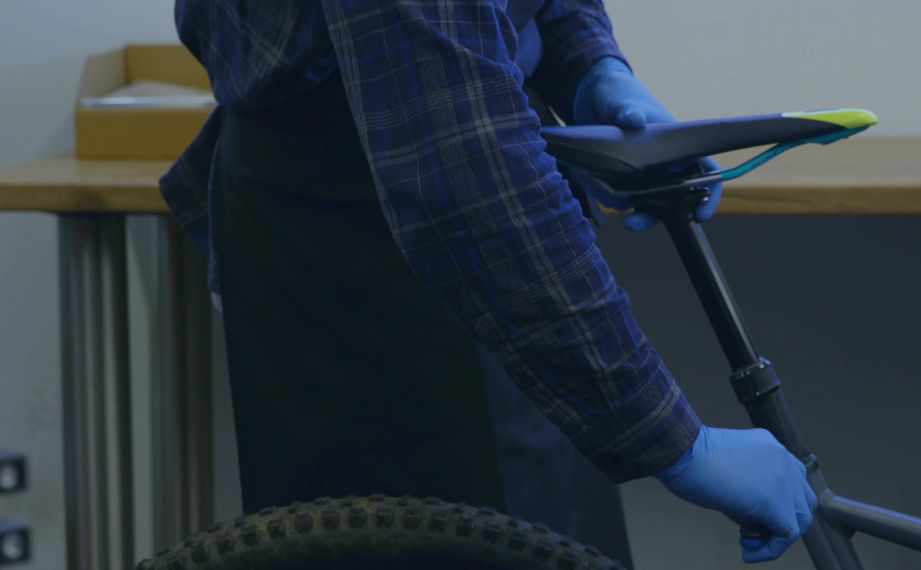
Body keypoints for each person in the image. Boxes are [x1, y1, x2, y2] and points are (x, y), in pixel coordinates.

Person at [161, 1, 816, 566]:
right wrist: (678, 443)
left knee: (550, 542)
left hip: (453, 203)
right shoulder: (452, 175)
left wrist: (588, 66)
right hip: (381, 260)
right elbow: (460, 165)